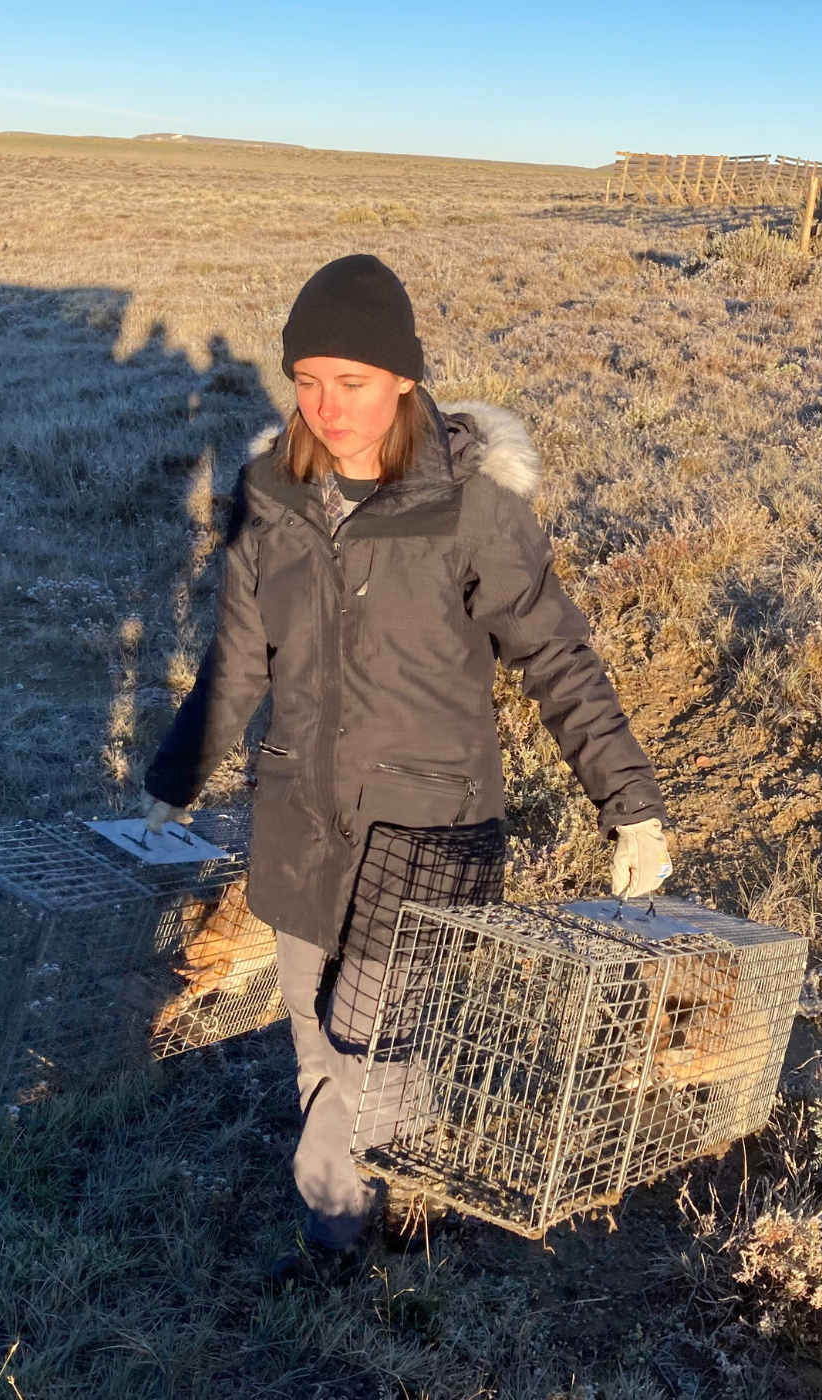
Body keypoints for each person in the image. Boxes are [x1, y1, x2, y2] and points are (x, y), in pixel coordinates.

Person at [140, 254, 671, 1269]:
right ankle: (340, 1232)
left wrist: (629, 806)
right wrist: (177, 775)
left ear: (402, 380)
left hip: (428, 826)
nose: (327, 406)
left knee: (370, 1040)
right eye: (306, 380)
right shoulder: (273, 496)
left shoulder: (471, 507)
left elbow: (557, 657)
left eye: (352, 381)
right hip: (298, 814)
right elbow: (238, 659)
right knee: (308, 1032)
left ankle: (415, 1196)